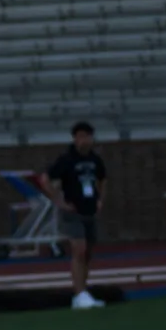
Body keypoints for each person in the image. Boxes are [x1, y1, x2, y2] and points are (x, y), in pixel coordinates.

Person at [42, 121, 108, 310]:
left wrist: (100, 199)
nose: (84, 141)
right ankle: (78, 293)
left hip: (90, 210)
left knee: (87, 252)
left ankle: (84, 291)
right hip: (73, 211)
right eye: (80, 136)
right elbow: (45, 179)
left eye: (87, 136)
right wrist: (59, 201)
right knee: (79, 249)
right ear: (74, 139)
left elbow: (103, 179)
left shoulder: (95, 160)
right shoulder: (67, 159)